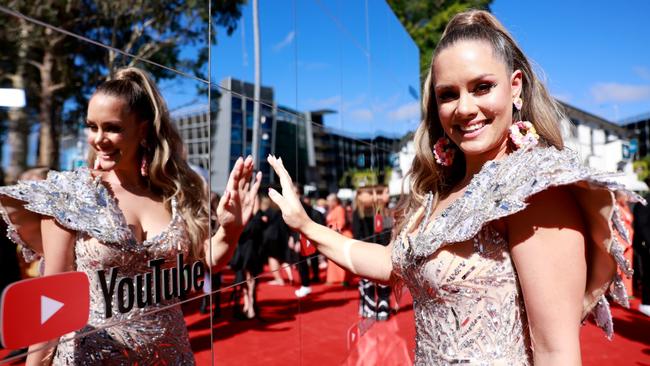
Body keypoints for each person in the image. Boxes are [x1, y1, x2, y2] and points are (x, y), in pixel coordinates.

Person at [266, 10, 644, 365]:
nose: (464, 108)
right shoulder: (440, 192)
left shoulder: (538, 193)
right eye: (448, 94)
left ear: (515, 88)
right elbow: (388, 263)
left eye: (482, 87)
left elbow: (556, 354)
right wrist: (304, 223)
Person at [0, 67, 261, 365]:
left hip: (172, 356)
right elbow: (50, 305)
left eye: (112, 127)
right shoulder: (69, 195)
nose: (99, 139)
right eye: (91, 126)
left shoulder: (175, 193)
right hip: (92, 357)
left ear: (144, 129)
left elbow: (205, 265)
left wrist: (231, 229)